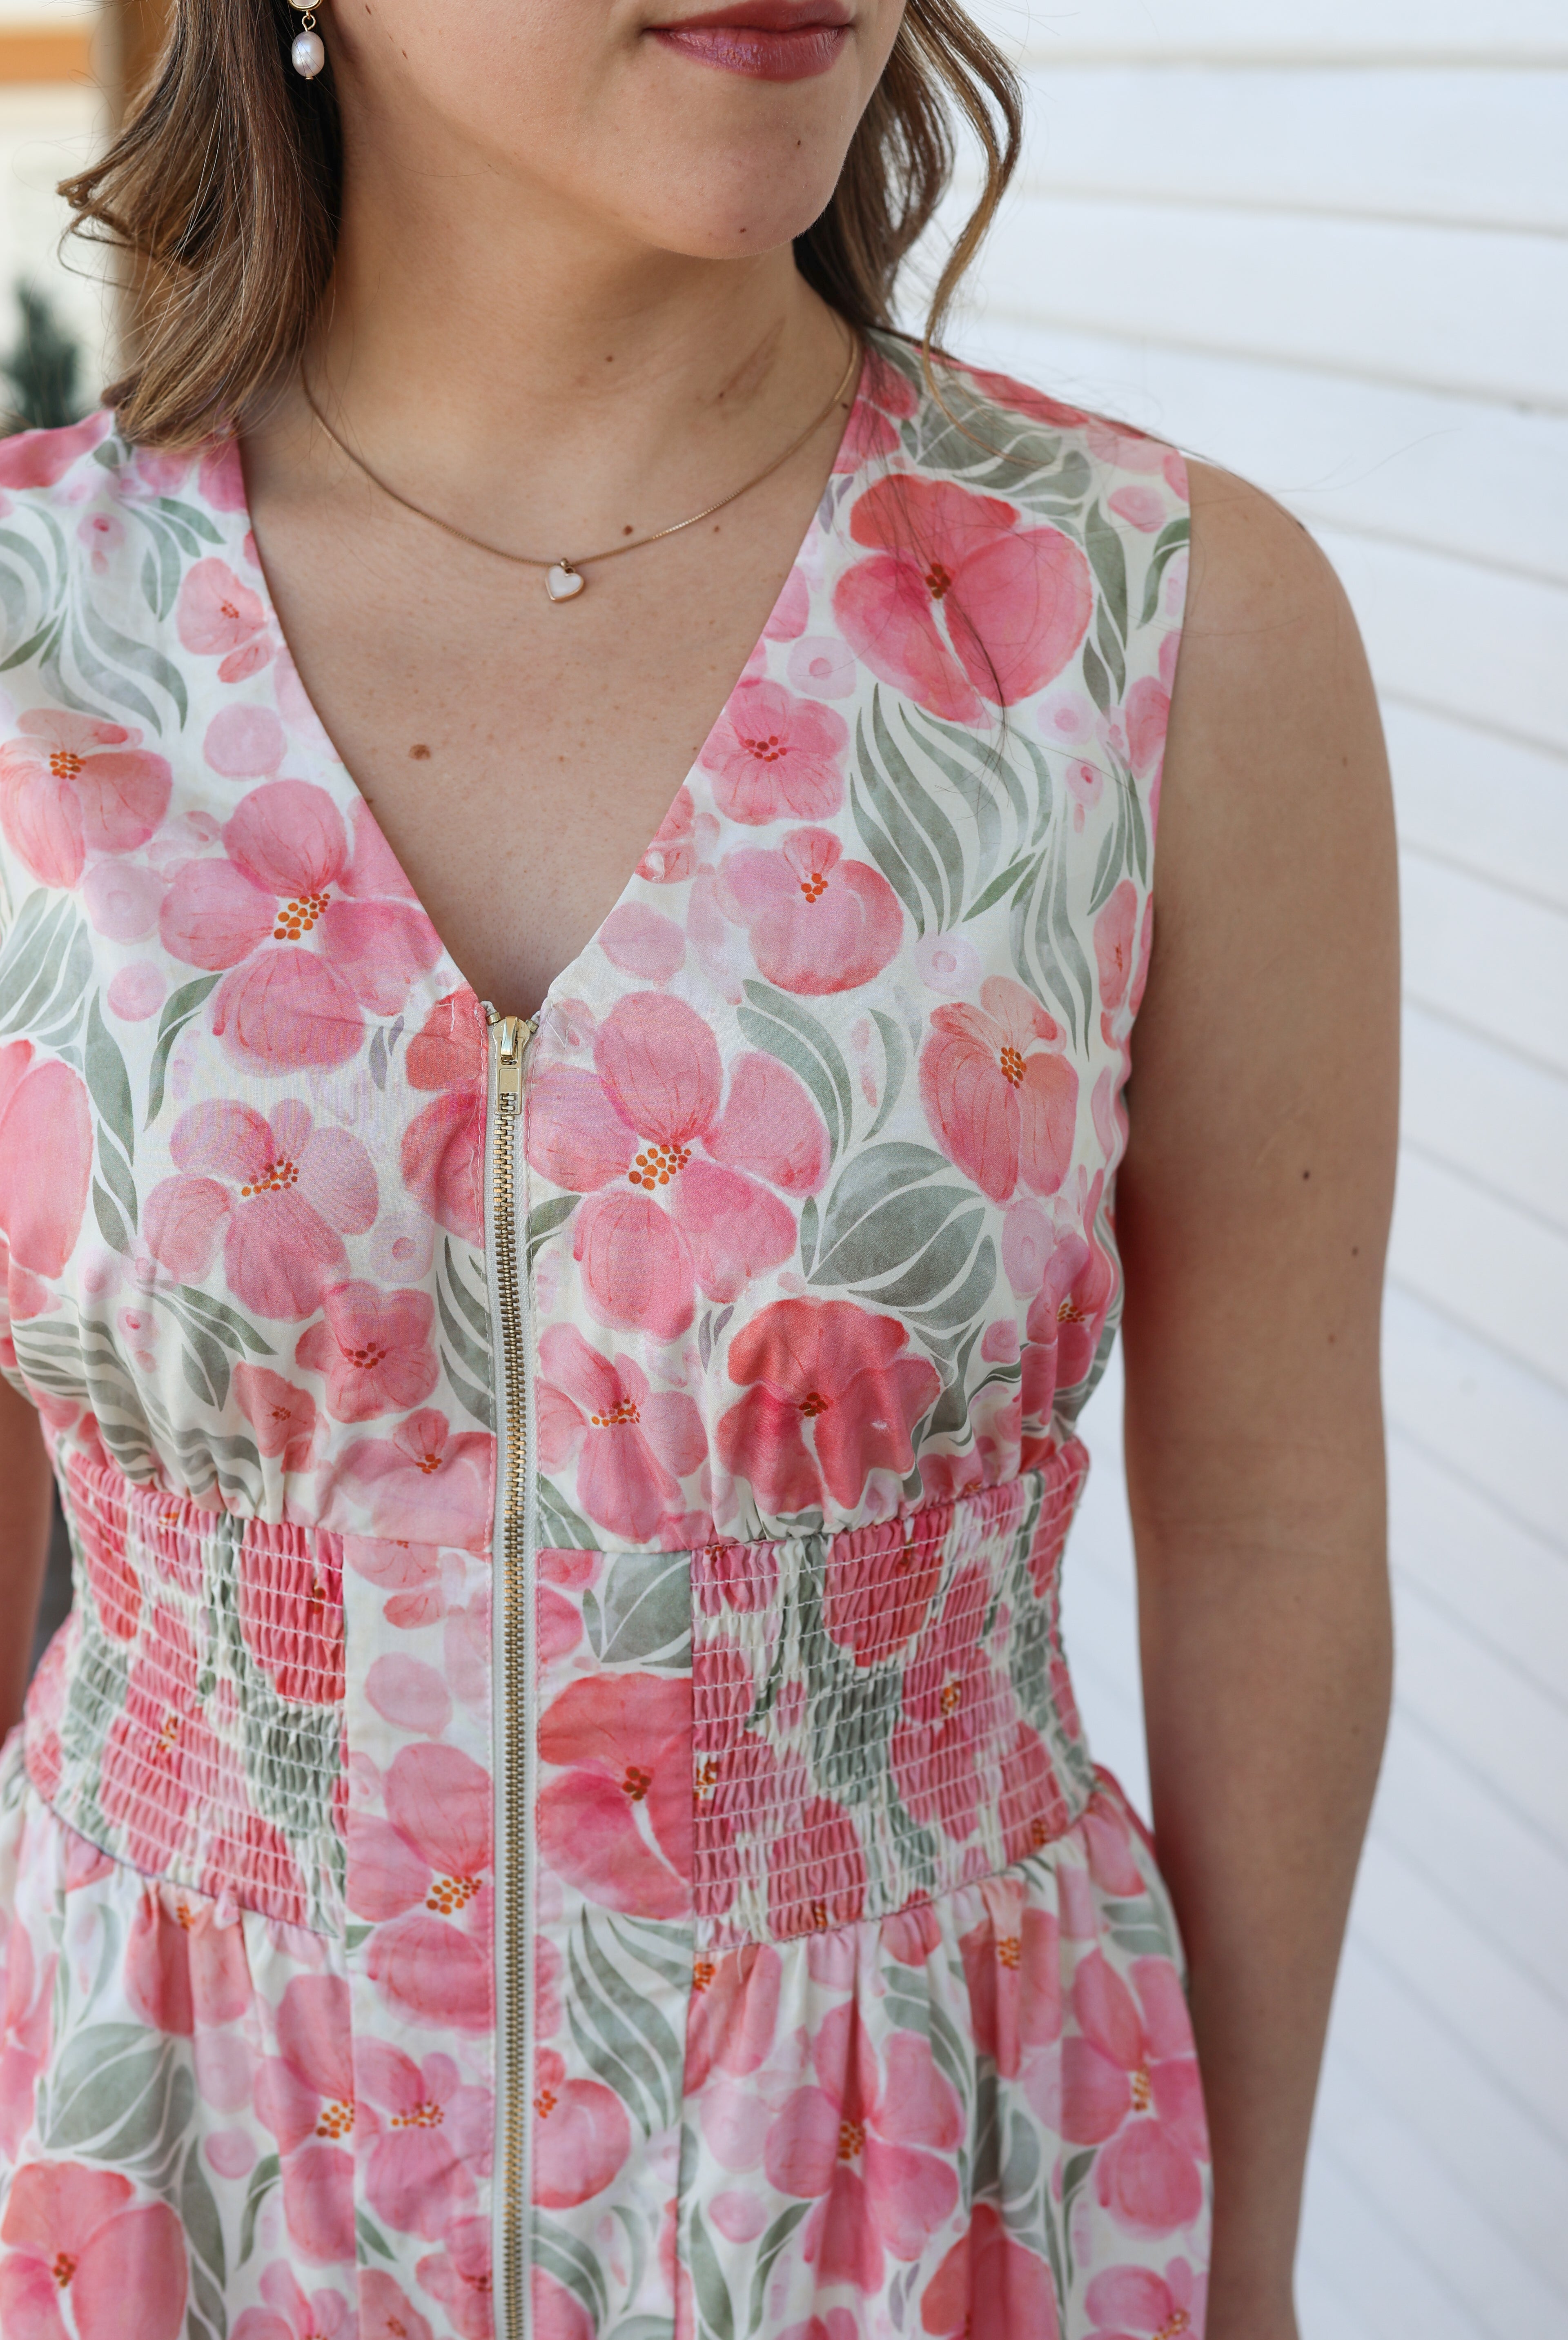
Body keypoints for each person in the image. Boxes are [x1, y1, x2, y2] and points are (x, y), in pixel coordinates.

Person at [0, 4, 1397, 2336]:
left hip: (941, 2208)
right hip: (146, 2192)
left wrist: (1236, 2266)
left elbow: (1268, 1521)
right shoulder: (33, 641)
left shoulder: (1158, 632)